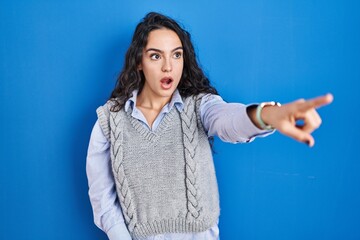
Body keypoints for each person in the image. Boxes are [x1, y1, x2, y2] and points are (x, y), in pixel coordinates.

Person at [86, 12, 333, 240]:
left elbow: (227, 119)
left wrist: (268, 115)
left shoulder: (200, 106)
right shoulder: (110, 120)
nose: (168, 66)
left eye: (176, 54)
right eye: (155, 55)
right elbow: (103, 201)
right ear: (139, 62)